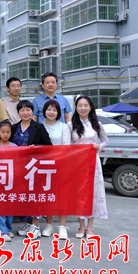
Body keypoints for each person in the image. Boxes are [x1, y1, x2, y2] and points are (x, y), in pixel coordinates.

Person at [11, 100, 53, 239]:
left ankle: (36, 226)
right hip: (18, 168)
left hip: (34, 167)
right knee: (24, 196)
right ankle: (28, 223)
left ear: (32, 111)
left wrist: (37, 147)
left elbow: (48, 146)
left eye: (28, 110)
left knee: (35, 196)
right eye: (22, 110)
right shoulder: (14, 127)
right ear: (18, 112)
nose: (25, 113)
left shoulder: (39, 127)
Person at [70, 95, 108, 239]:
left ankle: (90, 227)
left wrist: (99, 146)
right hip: (77, 164)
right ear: (76, 107)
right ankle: (81, 226)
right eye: (80, 105)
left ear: (91, 107)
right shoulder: (71, 125)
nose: (83, 108)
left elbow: (105, 140)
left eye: (86, 105)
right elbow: (68, 145)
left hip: (93, 163)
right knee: (79, 194)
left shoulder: (97, 124)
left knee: (93, 193)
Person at [42, 99, 72, 239]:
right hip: (44, 167)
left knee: (62, 196)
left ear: (59, 112)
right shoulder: (40, 126)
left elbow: (66, 146)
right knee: (48, 196)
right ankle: (49, 225)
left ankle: (62, 226)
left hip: (61, 166)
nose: (51, 112)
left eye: (54, 110)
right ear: (44, 111)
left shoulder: (63, 127)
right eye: (49, 109)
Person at [0, 120, 17, 242]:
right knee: (0, 207)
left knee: (10, 206)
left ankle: (8, 228)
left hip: (11, 181)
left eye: (8, 132)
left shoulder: (15, 147)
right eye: (3, 132)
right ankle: (1, 231)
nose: (5, 134)